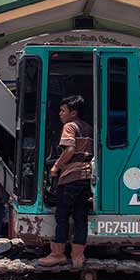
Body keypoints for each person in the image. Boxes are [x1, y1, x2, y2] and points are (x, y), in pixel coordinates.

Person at [39, 95, 93, 269]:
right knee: (80, 217)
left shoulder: (69, 126)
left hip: (70, 177)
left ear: (73, 113)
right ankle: (78, 256)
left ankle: (57, 254)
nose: (60, 114)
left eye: (63, 111)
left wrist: (56, 166)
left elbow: (69, 150)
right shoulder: (88, 128)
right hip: (85, 178)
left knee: (61, 215)